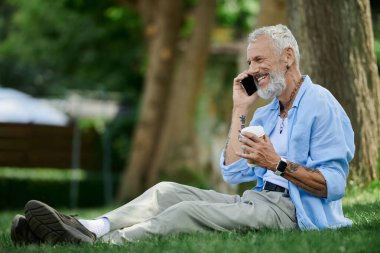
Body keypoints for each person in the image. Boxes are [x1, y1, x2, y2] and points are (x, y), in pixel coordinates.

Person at [10, 24, 355, 245]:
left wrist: (276, 164)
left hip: (292, 213)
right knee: (166, 191)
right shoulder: (264, 112)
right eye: (249, 63)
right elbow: (233, 172)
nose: (251, 70)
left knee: (186, 211)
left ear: (288, 57)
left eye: (258, 60)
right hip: (256, 200)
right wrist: (239, 110)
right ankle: (90, 228)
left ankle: (102, 244)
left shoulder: (320, 104)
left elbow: (332, 184)